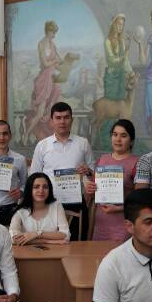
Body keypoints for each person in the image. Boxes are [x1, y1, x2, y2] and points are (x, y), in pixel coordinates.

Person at [29, 101, 95, 241]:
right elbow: (34, 177)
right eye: (58, 118)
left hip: (76, 202)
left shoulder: (83, 143)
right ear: (51, 121)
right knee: (49, 244)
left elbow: (93, 174)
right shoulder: (42, 145)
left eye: (66, 117)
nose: (62, 121)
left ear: (72, 119)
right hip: (49, 203)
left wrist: (88, 171)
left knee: (78, 244)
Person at [89, 119, 139, 242]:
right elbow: (93, 192)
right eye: (115, 134)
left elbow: (139, 199)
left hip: (124, 223)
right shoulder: (102, 159)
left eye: (123, 136)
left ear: (131, 141)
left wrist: (118, 208)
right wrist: (90, 189)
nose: (118, 139)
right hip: (100, 223)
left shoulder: (137, 162)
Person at [96, 14, 134, 152]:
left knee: (120, 109)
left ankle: (120, 139)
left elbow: (126, 62)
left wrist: (131, 72)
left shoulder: (121, 40)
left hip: (121, 79)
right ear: (113, 25)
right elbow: (112, 61)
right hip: (112, 78)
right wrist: (123, 57)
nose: (120, 27)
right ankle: (105, 139)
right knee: (110, 109)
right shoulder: (108, 41)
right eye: (118, 24)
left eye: (122, 25)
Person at [9, 173, 70, 245]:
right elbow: (13, 239)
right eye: (36, 187)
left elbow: (66, 235)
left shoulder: (57, 206)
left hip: (55, 251)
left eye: (45, 187)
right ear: (29, 190)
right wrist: (47, 241)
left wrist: (37, 234)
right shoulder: (20, 211)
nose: (41, 190)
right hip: (27, 251)